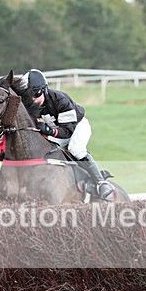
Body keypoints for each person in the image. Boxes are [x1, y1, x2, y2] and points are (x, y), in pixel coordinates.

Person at [21, 69, 115, 201]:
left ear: (44, 89)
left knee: (75, 149)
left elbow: (67, 131)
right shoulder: (29, 105)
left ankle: (100, 182)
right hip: (56, 130)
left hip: (76, 127)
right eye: (28, 96)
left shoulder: (60, 100)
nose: (33, 100)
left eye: (36, 94)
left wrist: (49, 131)